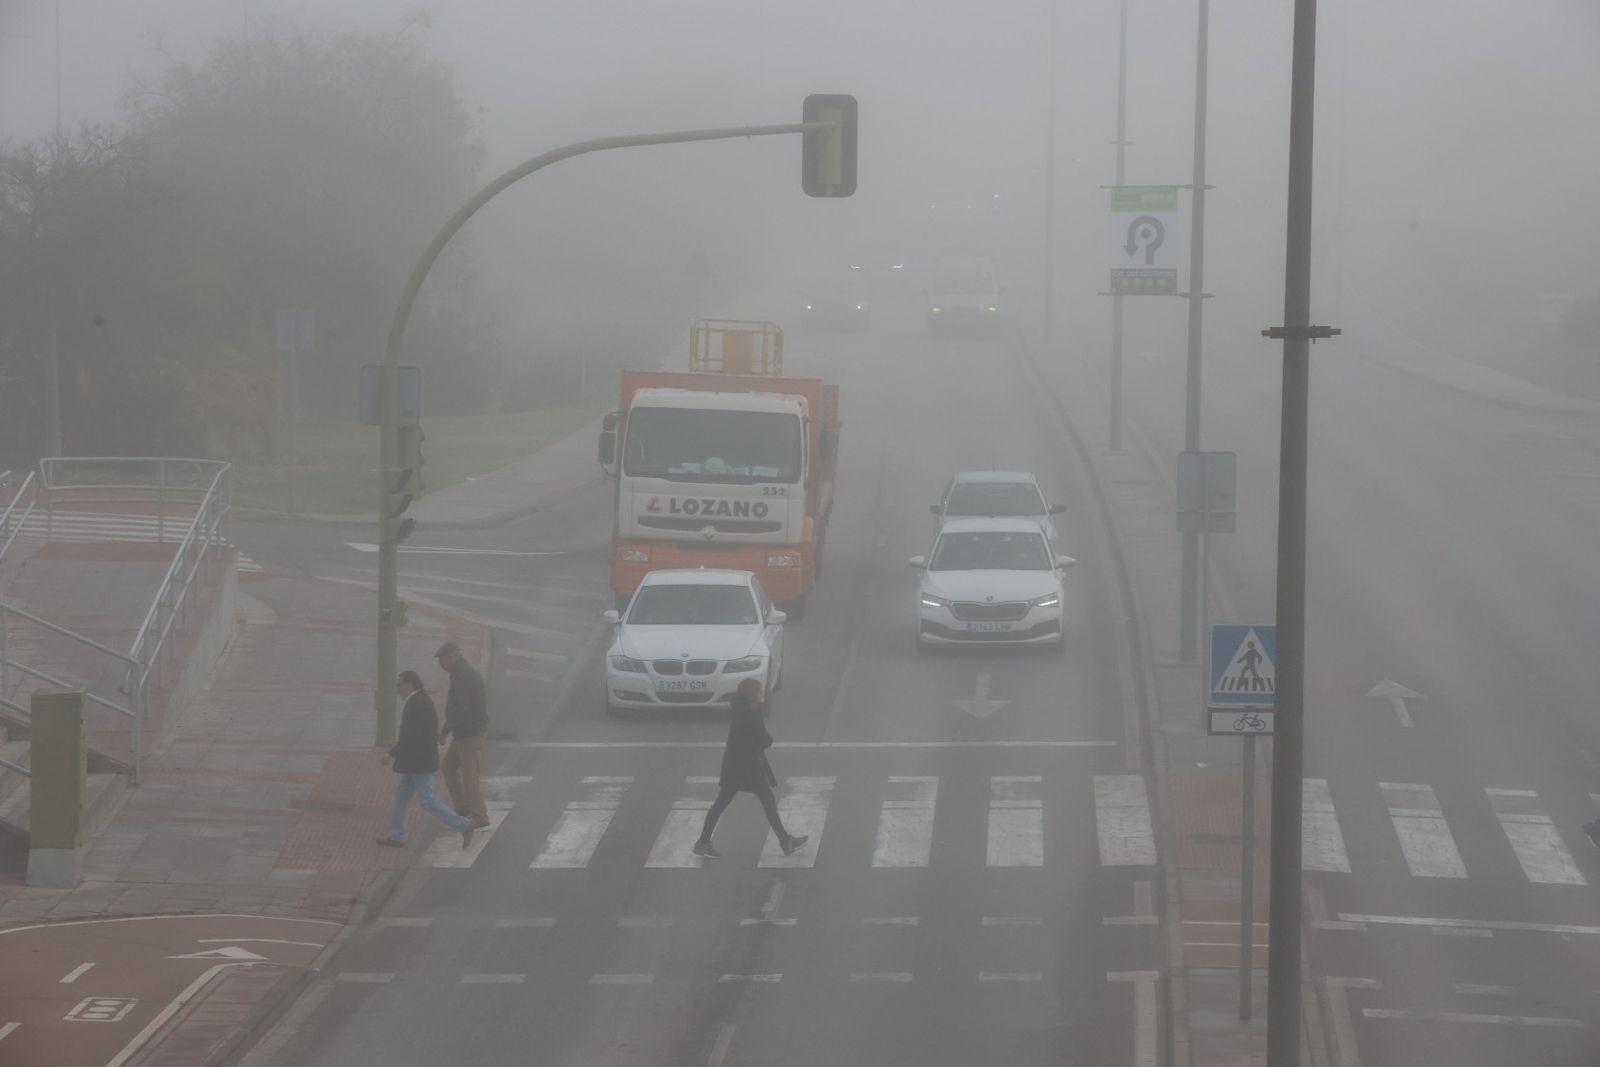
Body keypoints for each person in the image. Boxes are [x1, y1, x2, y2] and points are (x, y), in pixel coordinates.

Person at [693, 678, 808, 859]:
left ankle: (703, 842)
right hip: (748, 767)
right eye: (759, 692)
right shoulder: (752, 713)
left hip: (733, 765)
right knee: (768, 801)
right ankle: (785, 841)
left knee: (721, 803)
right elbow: (763, 739)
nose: (762, 695)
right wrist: (765, 727)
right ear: (752, 694)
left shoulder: (739, 709)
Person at [378, 671, 475, 848]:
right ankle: (397, 835)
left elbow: (410, 736)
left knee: (427, 801)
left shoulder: (418, 704)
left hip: (419, 763)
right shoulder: (419, 701)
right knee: (401, 796)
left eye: (399, 685)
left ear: (409, 684)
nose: (397, 690)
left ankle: (464, 825)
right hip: (415, 762)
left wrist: (391, 753)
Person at [435, 640, 491, 828]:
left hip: (469, 733)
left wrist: (444, 731)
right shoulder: (459, 673)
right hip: (463, 732)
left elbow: (460, 707)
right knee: (448, 767)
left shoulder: (463, 674)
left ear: (453, 656)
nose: (441, 664)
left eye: (442, 660)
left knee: (469, 776)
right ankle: (463, 808)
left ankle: (479, 816)